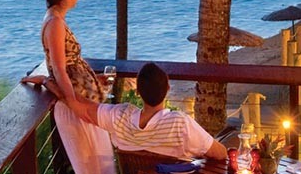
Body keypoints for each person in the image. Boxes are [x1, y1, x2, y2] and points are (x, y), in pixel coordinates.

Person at [35, 0, 118, 174]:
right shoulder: (55, 22)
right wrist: (73, 102)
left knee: (101, 172)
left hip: (82, 107)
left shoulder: (55, 19)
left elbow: (61, 67)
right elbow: (58, 67)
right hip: (75, 110)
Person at [66, 61, 227, 160]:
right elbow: (220, 154)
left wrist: (53, 84)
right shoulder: (179, 124)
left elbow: (84, 109)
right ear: (168, 89)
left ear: (138, 92)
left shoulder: (120, 117)